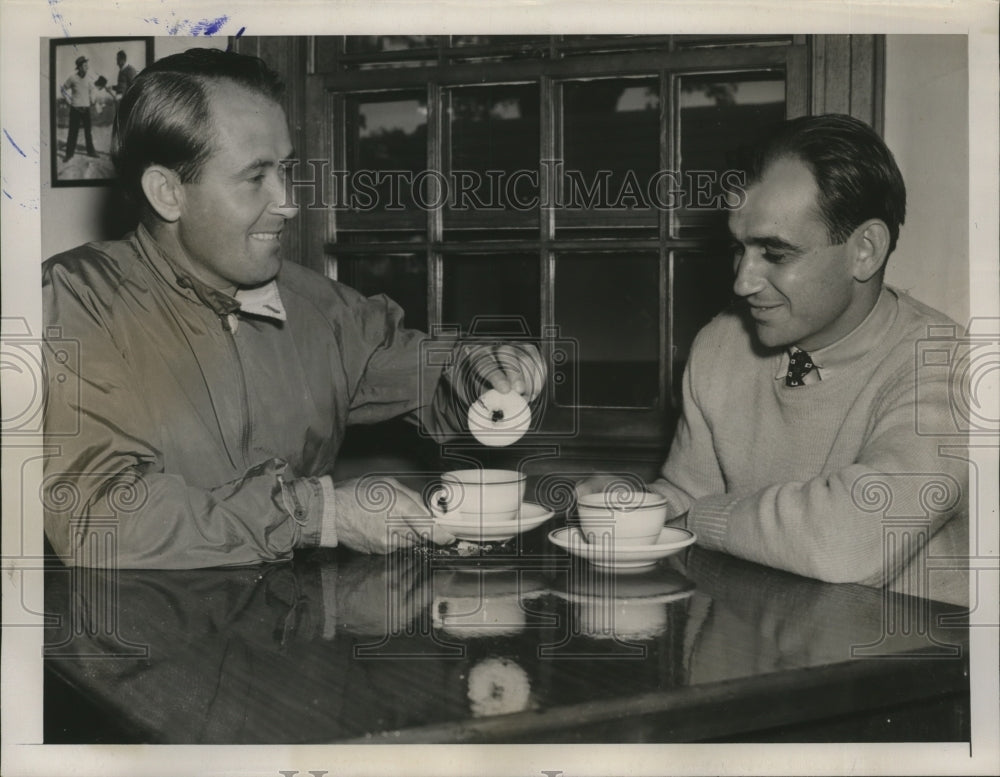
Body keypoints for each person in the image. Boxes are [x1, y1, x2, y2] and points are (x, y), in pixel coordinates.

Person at [42, 49, 544, 569]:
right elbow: (95, 518)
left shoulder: (317, 305)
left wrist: (485, 372)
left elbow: (430, 378)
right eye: (256, 177)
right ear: (168, 193)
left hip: (295, 638)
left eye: (285, 170)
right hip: (148, 642)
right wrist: (317, 513)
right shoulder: (77, 298)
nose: (287, 202)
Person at [579, 114, 967, 604]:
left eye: (776, 254)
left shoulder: (950, 366)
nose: (743, 282)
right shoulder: (722, 343)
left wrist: (695, 517)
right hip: (746, 650)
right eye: (739, 249)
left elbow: (846, 543)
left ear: (865, 251)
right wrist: (637, 504)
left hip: (902, 672)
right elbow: (686, 495)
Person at [60, 55, 97, 160]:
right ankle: (69, 154)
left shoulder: (89, 79)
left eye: (87, 65)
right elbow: (63, 89)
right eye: (85, 65)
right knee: (72, 132)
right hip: (75, 109)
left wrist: (92, 99)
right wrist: (68, 101)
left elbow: (93, 89)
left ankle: (91, 152)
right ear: (79, 67)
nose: (87, 67)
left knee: (88, 133)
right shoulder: (72, 78)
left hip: (86, 109)